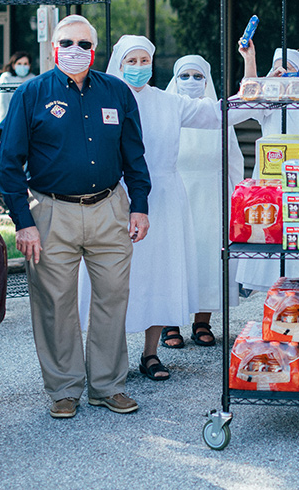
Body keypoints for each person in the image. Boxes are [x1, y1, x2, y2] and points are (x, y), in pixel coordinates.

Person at [0, 15, 150, 419]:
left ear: (94, 50)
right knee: (55, 303)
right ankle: (64, 388)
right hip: (51, 213)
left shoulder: (116, 92)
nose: (76, 50)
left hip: (109, 208)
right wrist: (23, 223)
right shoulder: (30, 94)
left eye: (84, 44)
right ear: (53, 48)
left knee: (112, 298)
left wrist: (140, 205)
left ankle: (107, 386)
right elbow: (10, 165)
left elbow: (134, 155)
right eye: (67, 42)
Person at [78, 36, 224, 381]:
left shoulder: (169, 102)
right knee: (115, 277)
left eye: (145, 60)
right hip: (113, 197)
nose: (139, 67)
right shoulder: (99, 98)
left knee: (160, 273)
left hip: (165, 197)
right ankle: (112, 356)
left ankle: (151, 353)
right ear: (119, 63)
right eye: (132, 61)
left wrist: (252, 73)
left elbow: (217, 113)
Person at [162, 54, 251, 349]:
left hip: (213, 196)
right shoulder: (166, 111)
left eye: (197, 76)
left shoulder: (218, 115)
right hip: (176, 191)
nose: (191, 82)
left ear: (207, 80)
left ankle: (203, 321)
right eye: (184, 76)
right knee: (174, 258)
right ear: (174, 79)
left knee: (209, 259)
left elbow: (234, 160)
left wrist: (238, 199)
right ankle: (169, 323)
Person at [235, 46, 299, 294]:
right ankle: (276, 304)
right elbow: (249, 95)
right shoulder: (268, 103)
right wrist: (251, 59)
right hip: (270, 185)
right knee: (273, 238)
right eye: (277, 68)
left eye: (289, 68)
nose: (282, 74)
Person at [0, 51, 35, 141]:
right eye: (19, 63)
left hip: (26, 123)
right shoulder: (5, 78)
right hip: (5, 122)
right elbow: (1, 103)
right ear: (13, 65)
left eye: (25, 64)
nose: (23, 66)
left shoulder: (33, 79)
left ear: (29, 66)